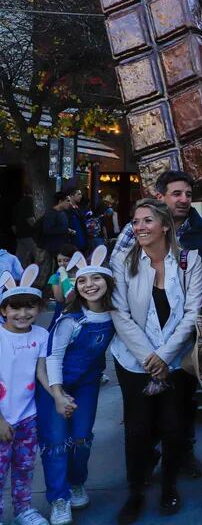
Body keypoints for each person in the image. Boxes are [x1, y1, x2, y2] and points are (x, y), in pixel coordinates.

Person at [111, 171, 202, 478]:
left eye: (187, 193)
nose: (184, 199)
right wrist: (149, 355)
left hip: (179, 337)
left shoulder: (201, 229)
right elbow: (120, 292)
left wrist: (167, 353)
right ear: (161, 197)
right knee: (141, 418)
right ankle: (144, 466)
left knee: (182, 409)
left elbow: (196, 291)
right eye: (176, 194)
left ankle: (182, 454)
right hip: (139, 339)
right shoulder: (134, 234)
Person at [37, 248, 115, 525]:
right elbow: (52, 356)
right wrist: (58, 395)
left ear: (108, 282)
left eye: (96, 278)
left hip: (87, 385)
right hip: (54, 387)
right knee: (56, 443)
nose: (89, 285)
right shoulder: (70, 319)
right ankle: (59, 497)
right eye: (82, 280)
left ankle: (76, 482)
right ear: (76, 286)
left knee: (81, 438)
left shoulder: (114, 315)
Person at [0, 267, 50, 525]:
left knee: (25, 467)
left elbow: (41, 371)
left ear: (39, 309)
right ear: (3, 310)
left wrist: (58, 395)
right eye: (15, 308)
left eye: (29, 307)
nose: (22, 314)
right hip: (1, 417)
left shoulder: (41, 335)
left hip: (27, 417)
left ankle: (23, 509)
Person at [41, 192, 72, 270]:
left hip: (62, 247)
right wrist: (65, 230)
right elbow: (47, 230)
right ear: (60, 201)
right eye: (67, 201)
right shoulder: (50, 213)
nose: (69, 203)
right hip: (53, 249)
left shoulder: (63, 213)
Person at [13, 193, 38, 270]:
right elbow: (30, 219)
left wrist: (17, 234)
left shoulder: (18, 204)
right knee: (38, 255)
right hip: (28, 234)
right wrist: (39, 228)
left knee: (20, 257)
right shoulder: (28, 200)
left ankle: (18, 274)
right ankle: (38, 276)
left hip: (20, 235)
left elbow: (13, 225)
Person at [64, 188, 87, 254]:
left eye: (81, 194)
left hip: (81, 241)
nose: (81, 196)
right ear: (71, 196)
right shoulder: (67, 209)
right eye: (78, 194)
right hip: (72, 242)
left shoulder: (78, 208)